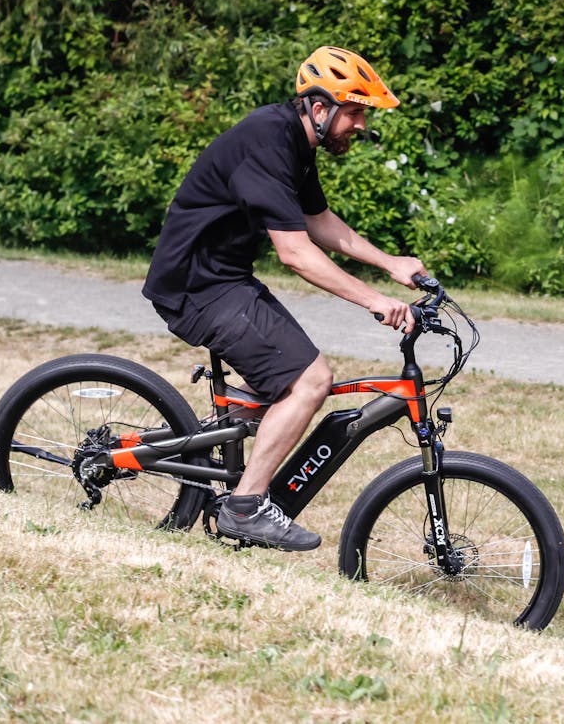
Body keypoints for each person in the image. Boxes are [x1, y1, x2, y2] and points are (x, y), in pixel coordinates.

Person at [142, 46, 426, 551]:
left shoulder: (295, 143)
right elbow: (295, 251)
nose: (360, 125)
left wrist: (391, 263)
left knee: (280, 381)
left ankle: (208, 449)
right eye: (355, 111)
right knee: (311, 379)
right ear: (320, 108)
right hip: (198, 286)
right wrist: (372, 300)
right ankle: (244, 506)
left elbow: (318, 221)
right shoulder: (267, 141)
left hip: (222, 277)